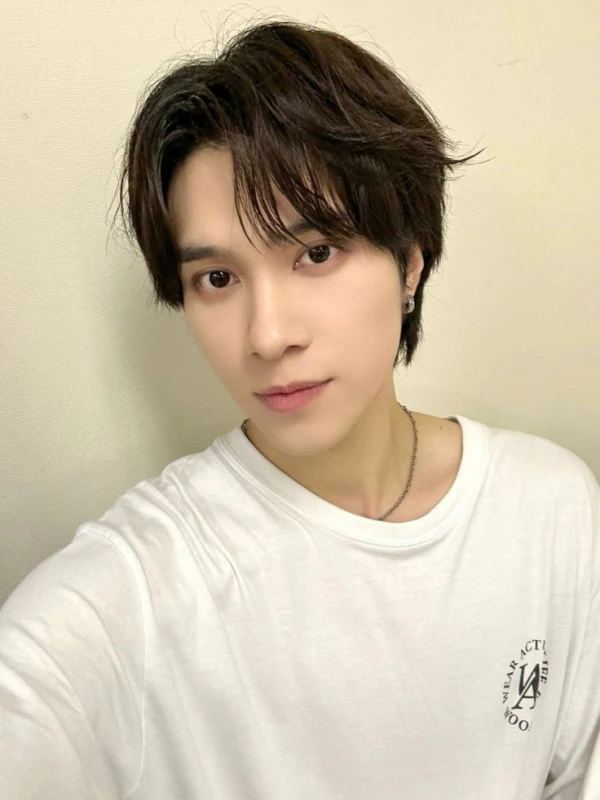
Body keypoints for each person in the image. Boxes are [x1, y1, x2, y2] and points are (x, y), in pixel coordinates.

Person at [1, 18, 598, 800]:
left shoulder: (550, 508)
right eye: (217, 279)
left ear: (410, 264)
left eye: (315, 253)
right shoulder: (135, 592)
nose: (268, 336)